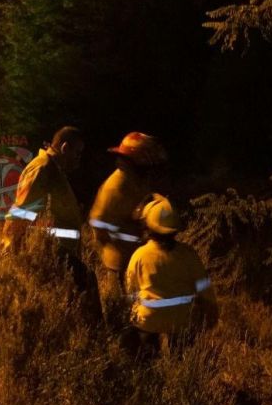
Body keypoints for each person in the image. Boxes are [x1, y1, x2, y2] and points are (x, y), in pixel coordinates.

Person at [124, 194, 218, 359]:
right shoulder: (188, 255)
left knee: (147, 358)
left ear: (148, 226)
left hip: (149, 320)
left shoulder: (139, 256)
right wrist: (211, 311)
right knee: (181, 357)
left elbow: (131, 290)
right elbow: (204, 287)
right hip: (181, 319)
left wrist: (132, 314)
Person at [89, 132, 167, 316]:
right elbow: (98, 224)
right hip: (122, 264)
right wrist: (119, 249)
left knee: (144, 314)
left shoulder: (135, 180)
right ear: (139, 161)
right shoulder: (117, 186)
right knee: (129, 316)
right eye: (150, 163)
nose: (152, 168)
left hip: (137, 260)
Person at [3, 126, 85, 251]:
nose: (78, 159)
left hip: (57, 252)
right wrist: (13, 248)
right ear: (65, 148)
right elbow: (22, 212)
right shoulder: (43, 169)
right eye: (77, 153)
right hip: (48, 253)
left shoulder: (53, 170)